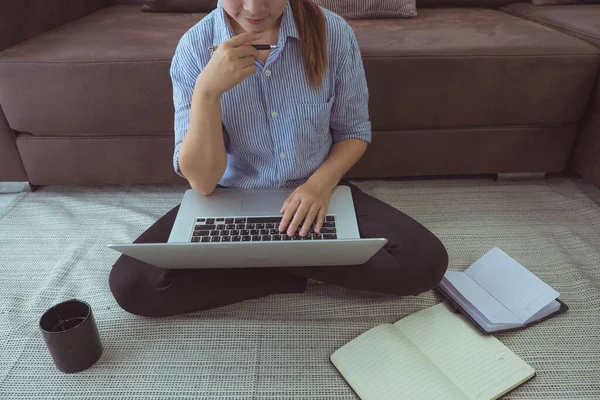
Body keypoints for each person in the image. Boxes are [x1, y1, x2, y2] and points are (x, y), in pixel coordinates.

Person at [109, 0, 448, 317]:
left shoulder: (334, 34)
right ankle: (295, 273)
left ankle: (252, 262)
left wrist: (318, 185)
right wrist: (207, 92)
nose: (254, 9)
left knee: (425, 263)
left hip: (317, 193)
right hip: (227, 197)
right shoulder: (194, 48)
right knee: (133, 284)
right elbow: (203, 180)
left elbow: (353, 132)